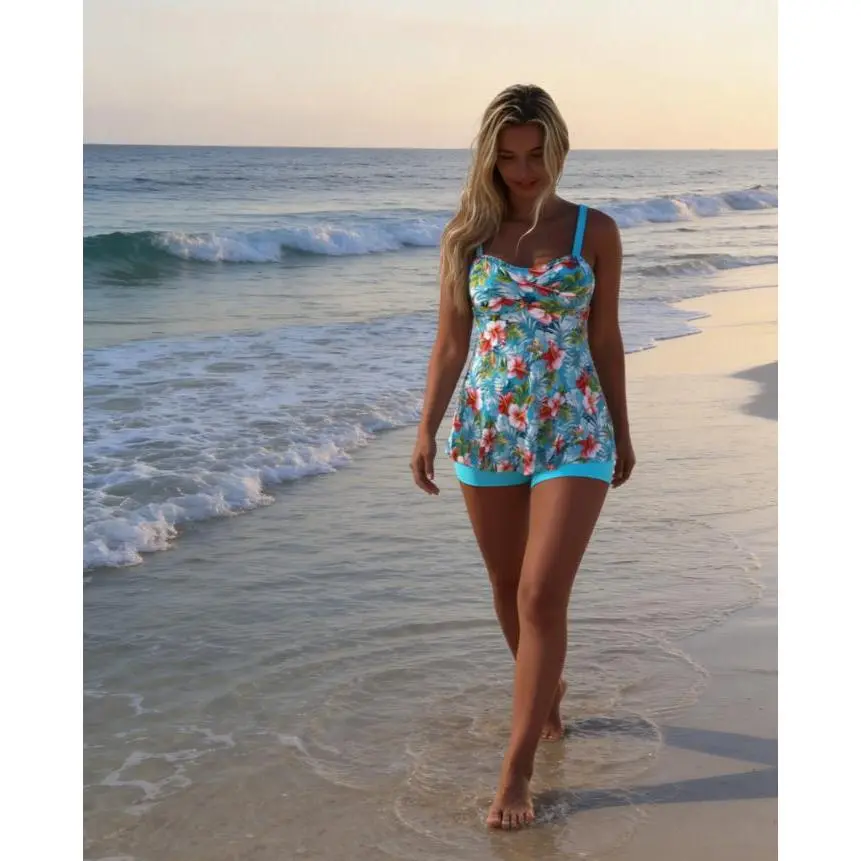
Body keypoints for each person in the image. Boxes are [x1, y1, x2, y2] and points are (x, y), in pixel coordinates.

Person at [410, 83, 636, 830]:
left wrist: (622, 429)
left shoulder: (594, 230)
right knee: (507, 586)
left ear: (557, 150)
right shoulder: (465, 237)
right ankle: (546, 692)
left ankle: (516, 768)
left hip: (575, 427)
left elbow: (605, 338)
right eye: (508, 157)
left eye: (536, 154)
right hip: (487, 427)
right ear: (489, 158)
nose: (524, 171)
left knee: (540, 594)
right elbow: (451, 344)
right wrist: (426, 429)